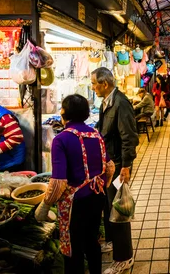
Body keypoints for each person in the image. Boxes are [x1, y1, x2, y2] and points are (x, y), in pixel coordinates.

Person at [35, 95, 113, 274]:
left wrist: (45, 205)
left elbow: (58, 182)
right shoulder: (96, 134)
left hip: (75, 205)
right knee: (92, 241)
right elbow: (109, 166)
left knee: (73, 248)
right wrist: (102, 185)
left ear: (64, 112)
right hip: (97, 198)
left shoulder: (61, 139)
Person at [91, 67, 138, 274]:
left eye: (94, 84)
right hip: (109, 163)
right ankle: (111, 242)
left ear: (105, 84)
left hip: (118, 165)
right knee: (108, 206)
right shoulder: (107, 102)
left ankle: (124, 257)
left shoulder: (120, 103)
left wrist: (126, 167)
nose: (93, 88)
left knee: (118, 210)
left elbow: (129, 137)